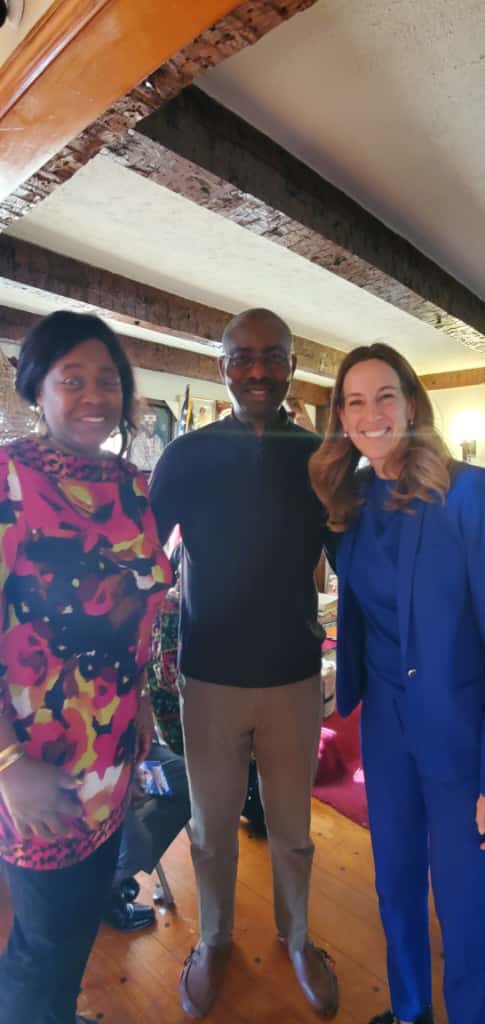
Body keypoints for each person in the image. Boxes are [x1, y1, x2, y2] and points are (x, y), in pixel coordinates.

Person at [150, 308, 339, 1020]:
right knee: (209, 830)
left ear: (291, 364)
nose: (257, 371)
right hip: (209, 677)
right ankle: (213, 940)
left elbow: (358, 558)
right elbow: (141, 559)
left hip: (293, 676)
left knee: (292, 831)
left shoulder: (319, 456)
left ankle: (299, 938)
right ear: (221, 365)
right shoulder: (186, 455)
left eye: (272, 357)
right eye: (242, 357)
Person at [0, 310, 170, 1024]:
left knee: (74, 928)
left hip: (113, 744)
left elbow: (141, 608)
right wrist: (8, 764)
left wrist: (144, 706)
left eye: (107, 380)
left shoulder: (130, 484)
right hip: (36, 760)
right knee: (42, 945)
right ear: (37, 388)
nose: (94, 395)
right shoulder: (9, 478)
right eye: (72, 379)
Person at [309, 342, 485, 1024]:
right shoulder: (351, 501)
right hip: (384, 724)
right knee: (395, 882)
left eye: (384, 396)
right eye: (354, 402)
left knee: (466, 902)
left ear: (411, 404)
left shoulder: (467, 495)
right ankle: (410, 1010)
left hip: (459, 733)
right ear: (341, 417)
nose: (371, 413)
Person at [103, 740, 191, 931]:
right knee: (136, 844)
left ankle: (115, 870)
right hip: (94, 783)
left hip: (132, 759)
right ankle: (103, 891)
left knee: (189, 784)